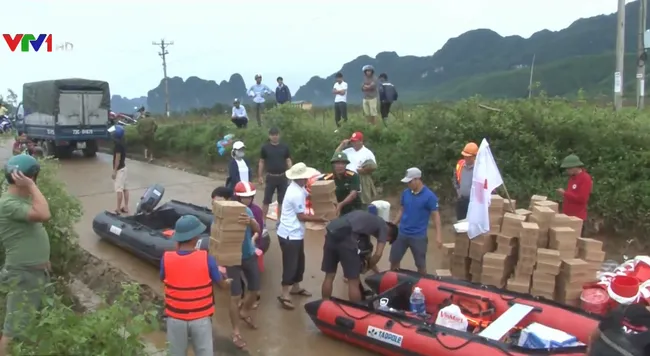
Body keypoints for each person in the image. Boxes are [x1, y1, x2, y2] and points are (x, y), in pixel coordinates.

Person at [0, 154, 51, 356]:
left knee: (31, 325)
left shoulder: (17, 202)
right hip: (24, 274)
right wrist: (31, 186)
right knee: (13, 330)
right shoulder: (8, 203)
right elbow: (45, 214)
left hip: (34, 273)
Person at [160, 215, 232, 356]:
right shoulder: (206, 258)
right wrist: (227, 283)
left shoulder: (166, 258)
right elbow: (221, 284)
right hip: (201, 319)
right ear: (194, 238)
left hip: (175, 318)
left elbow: (163, 278)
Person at [277, 163, 328, 310]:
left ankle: (296, 287)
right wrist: (320, 219)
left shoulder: (298, 187)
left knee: (300, 261)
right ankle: (284, 293)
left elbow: (309, 195)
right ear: (302, 178)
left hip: (295, 234)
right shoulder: (296, 193)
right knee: (290, 264)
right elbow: (301, 216)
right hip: (289, 234)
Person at [321, 210, 395, 302]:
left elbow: (366, 252)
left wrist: (376, 270)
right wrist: (367, 267)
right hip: (346, 238)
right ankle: (356, 310)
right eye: (387, 240)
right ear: (389, 236)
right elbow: (378, 254)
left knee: (329, 275)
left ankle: (324, 302)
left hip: (331, 233)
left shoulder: (368, 221)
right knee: (353, 282)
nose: (384, 240)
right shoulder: (383, 226)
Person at [223, 192, 261, 349]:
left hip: (248, 254)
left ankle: (244, 311)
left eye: (250, 197)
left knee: (255, 289)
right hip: (232, 257)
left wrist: (250, 221)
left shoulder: (248, 211)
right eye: (244, 197)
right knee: (235, 295)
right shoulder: (223, 213)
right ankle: (235, 331)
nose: (248, 200)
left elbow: (257, 228)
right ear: (237, 197)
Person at [390, 167, 443, 275]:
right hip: (402, 233)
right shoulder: (406, 193)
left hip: (418, 236)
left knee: (421, 265)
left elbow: (436, 216)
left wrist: (438, 236)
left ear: (417, 179)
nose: (408, 184)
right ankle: (393, 281)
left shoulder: (430, 196)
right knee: (394, 260)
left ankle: (422, 286)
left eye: (410, 182)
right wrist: (393, 225)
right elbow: (401, 210)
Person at [335, 131, 377, 208]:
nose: (353, 143)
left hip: (360, 179)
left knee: (361, 202)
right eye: (352, 141)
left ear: (361, 141)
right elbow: (336, 156)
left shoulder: (367, 153)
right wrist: (342, 144)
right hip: (347, 179)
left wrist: (364, 170)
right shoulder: (348, 151)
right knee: (347, 201)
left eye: (355, 141)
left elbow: (373, 166)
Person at [258, 127, 292, 224]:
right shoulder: (265, 148)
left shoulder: (284, 147)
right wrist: (260, 176)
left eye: (276, 134)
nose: (275, 137)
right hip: (270, 177)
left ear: (279, 135)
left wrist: (292, 172)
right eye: (272, 135)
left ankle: (279, 220)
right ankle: (263, 221)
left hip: (282, 177)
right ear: (269, 136)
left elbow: (288, 160)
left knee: (282, 200)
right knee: (266, 200)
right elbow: (261, 162)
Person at [557, 154, 593, 235]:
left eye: (568, 169)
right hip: (568, 216)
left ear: (575, 167)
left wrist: (565, 193)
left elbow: (582, 199)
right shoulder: (572, 178)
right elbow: (572, 194)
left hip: (577, 218)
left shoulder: (585, 178)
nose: (567, 171)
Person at [322, 152, 362, 216]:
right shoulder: (327, 179)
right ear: (333, 165)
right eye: (337, 163)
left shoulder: (353, 176)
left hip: (353, 208)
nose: (340, 166)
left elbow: (353, 194)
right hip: (334, 210)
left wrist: (341, 204)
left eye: (342, 163)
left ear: (346, 165)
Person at [452, 142, 478, 221]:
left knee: (472, 224)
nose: (466, 158)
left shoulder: (479, 169)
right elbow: (455, 179)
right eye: (465, 156)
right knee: (461, 223)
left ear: (474, 156)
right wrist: (458, 191)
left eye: (469, 157)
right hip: (462, 200)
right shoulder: (460, 165)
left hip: (474, 203)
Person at [110, 125, 129, 214]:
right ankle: (125, 207)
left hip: (120, 169)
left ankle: (118, 209)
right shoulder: (122, 142)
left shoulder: (117, 145)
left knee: (119, 190)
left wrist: (114, 171)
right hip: (124, 168)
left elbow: (117, 158)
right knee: (125, 188)